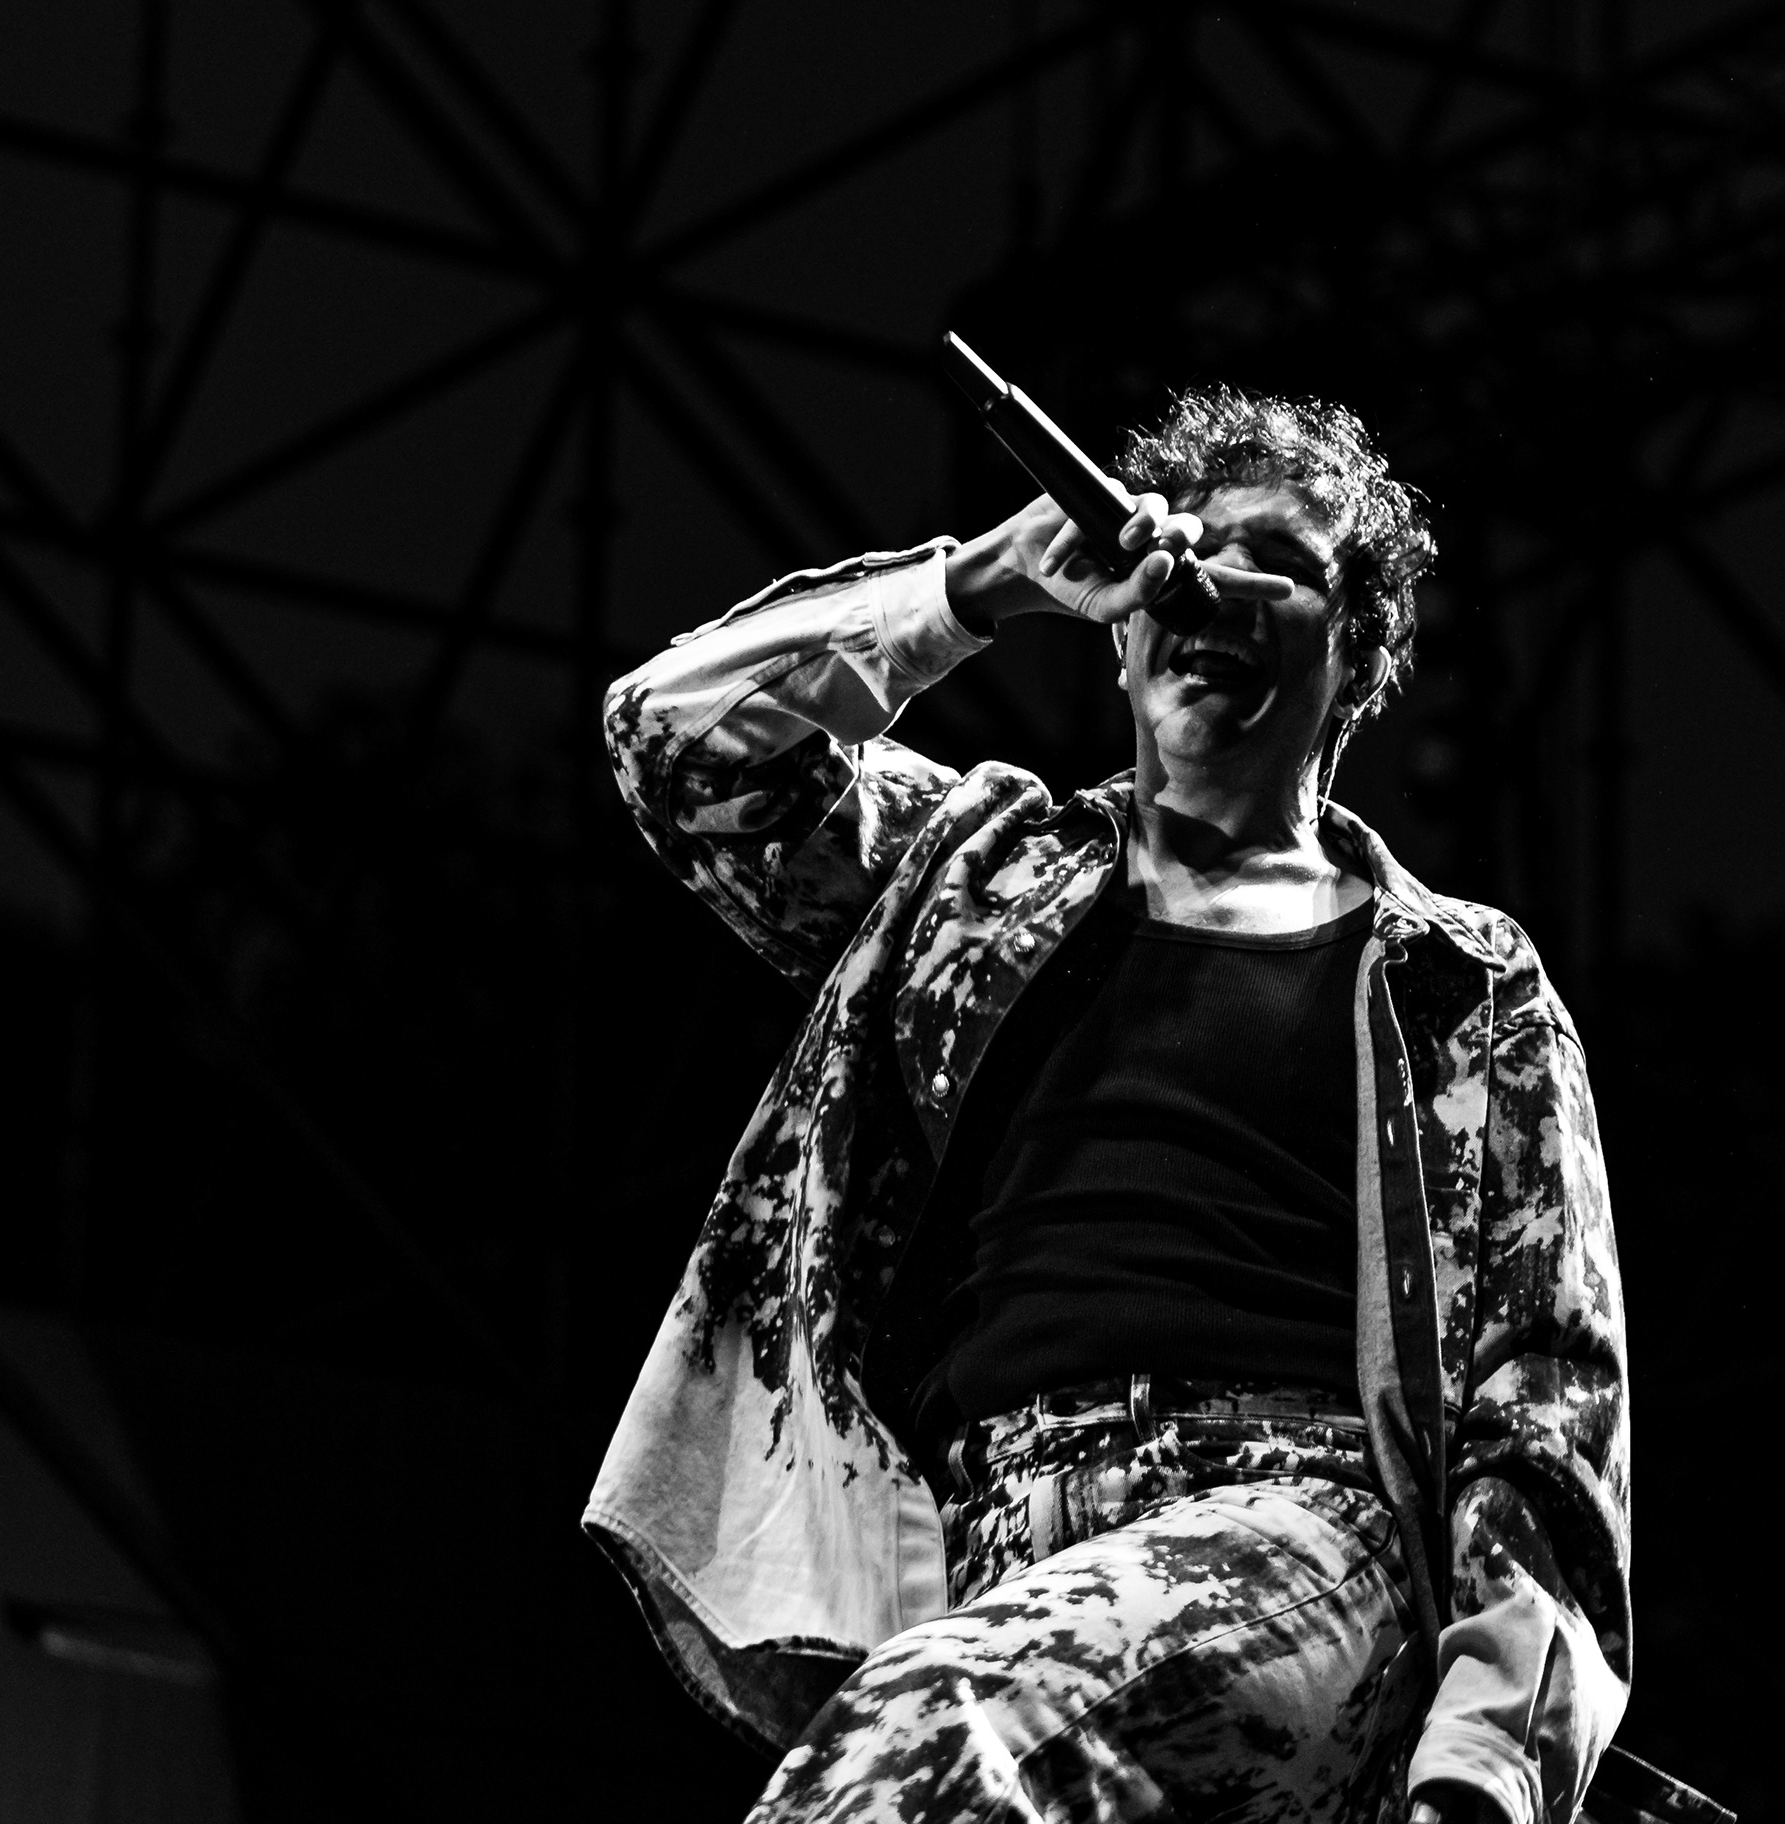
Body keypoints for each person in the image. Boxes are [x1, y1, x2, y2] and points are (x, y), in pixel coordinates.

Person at [586, 385, 1631, 1824]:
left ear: (1357, 653)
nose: (1208, 580)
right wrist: (982, 584)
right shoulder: (975, 878)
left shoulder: (1458, 980)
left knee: (923, 1739)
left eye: (1277, 562)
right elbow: (673, 737)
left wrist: (1485, 1772)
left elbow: (1545, 1413)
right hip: (985, 1553)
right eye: (1188, 550)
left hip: (1303, 1532)